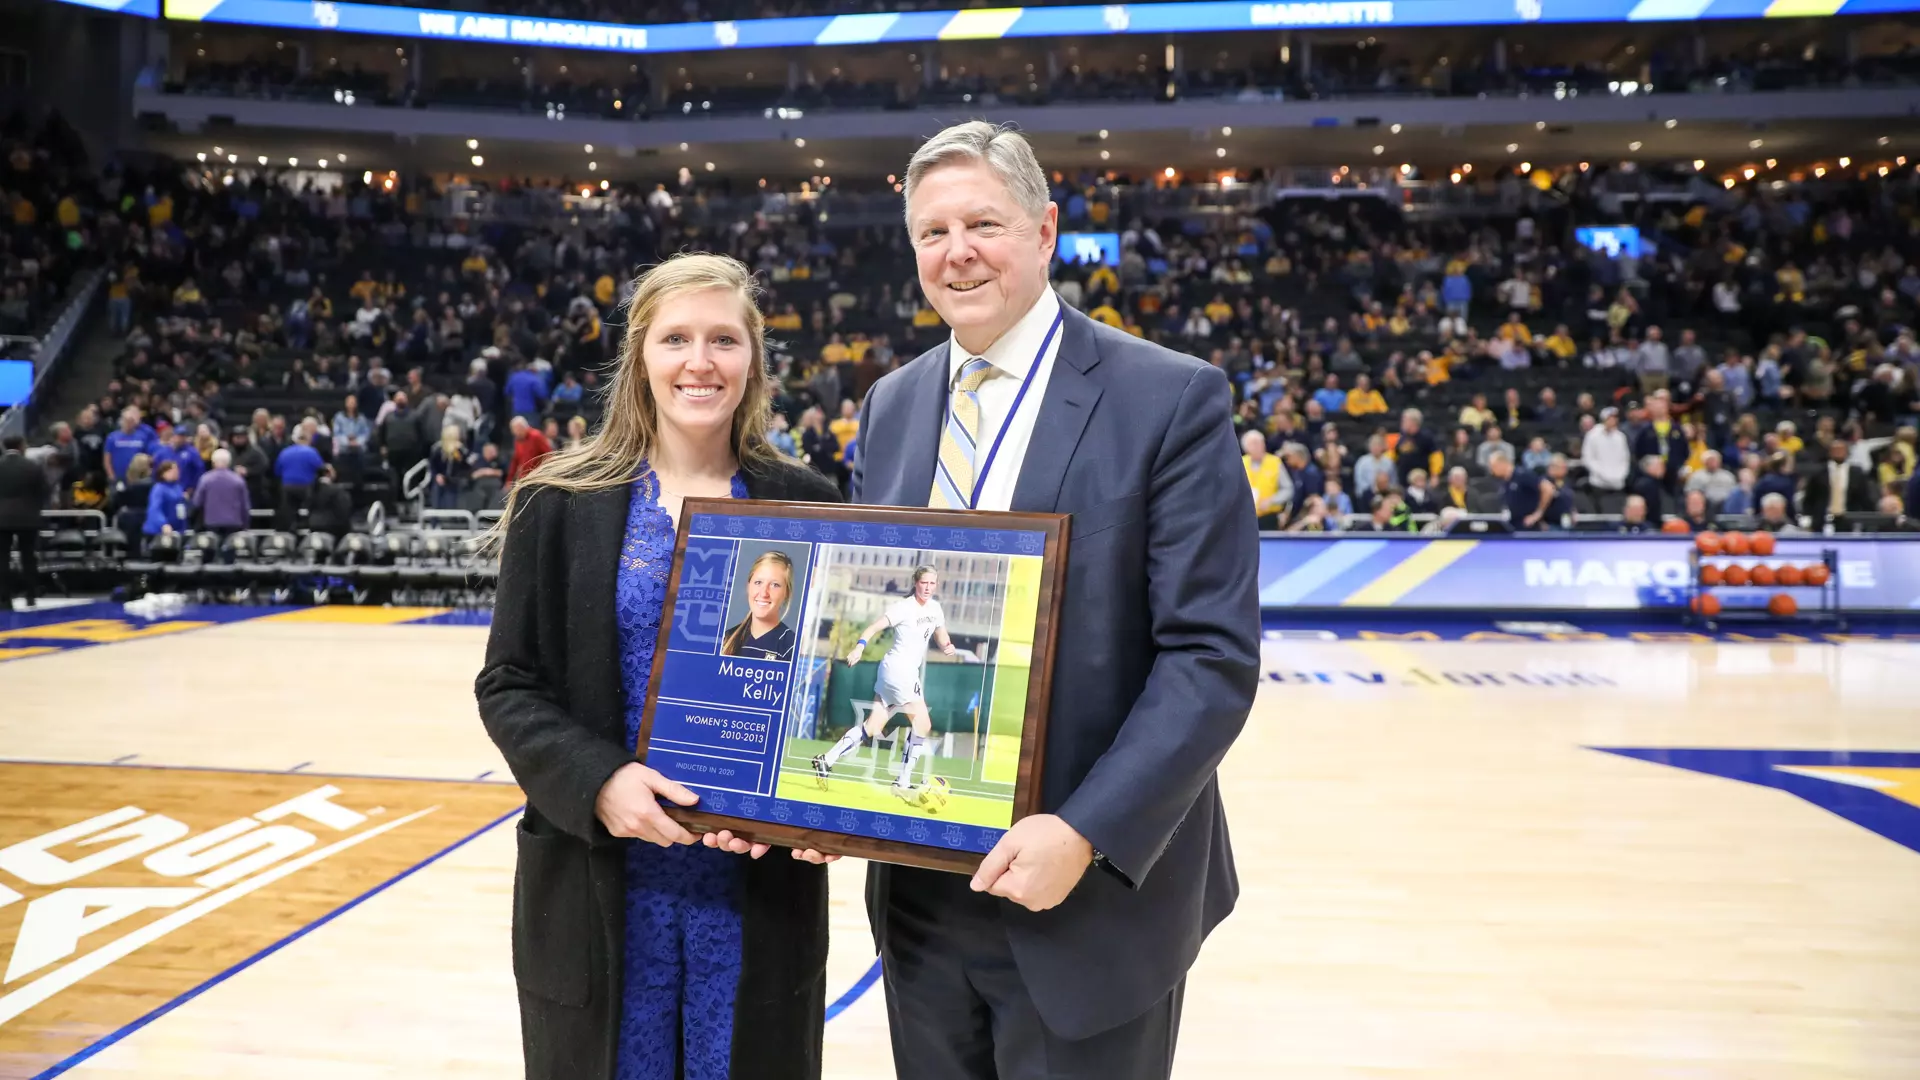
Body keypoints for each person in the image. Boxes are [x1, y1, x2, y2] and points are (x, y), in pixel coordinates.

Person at [850, 121, 1258, 1079]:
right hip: (922, 893)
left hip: (1090, 894)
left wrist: (1083, 832)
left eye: (982, 223)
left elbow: (1210, 657)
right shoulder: (891, 405)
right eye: (932, 232)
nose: (957, 253)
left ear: (1044, 230)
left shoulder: (1171, 397)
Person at [474, 253, 843, 1080]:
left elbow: (823, 687)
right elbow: (508, 684)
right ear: (640, 355)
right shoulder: (558, 499)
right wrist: (599, 781)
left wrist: (828, 806)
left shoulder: (807, 497)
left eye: (723, 339)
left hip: (752, 881)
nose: (700, 362)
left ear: (753, 359)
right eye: (676, 338)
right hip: (603, 874)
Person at [812, 565, 959, 794]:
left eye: (932, 583)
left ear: (936, 584)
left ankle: (827, 760)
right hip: (899, 671)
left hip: (896, 672)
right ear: (915, 583)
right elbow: (872, 628)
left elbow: (940, 632)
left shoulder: (935, 608)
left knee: (873, 726)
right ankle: (902, 781)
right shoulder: (904, 607)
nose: (928, 587)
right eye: (924, 583)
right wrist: (859, 648)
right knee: (923, 723)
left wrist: (947, 645)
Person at [0, 434, 52, 610]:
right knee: (28, 557)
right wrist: (33, 507)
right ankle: (31, 595)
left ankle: (4, 599)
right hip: (28, 517)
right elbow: (44, 491)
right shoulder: (33, 466)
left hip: (2, 518)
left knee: (2, 558)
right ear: (22, 446)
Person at [717, 550, 797, 661]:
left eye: (775, 585)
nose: (764, 593)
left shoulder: (791, 647)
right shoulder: (726, 639)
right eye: (758, 582)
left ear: (786, 593)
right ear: (748, 586)